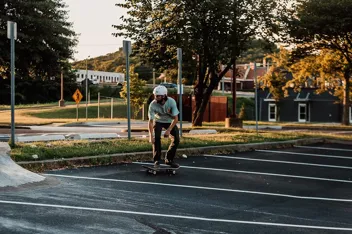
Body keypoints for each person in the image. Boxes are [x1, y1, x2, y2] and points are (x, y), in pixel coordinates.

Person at [148, 85, 180, 168]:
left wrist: (168, 130)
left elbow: (176, 118)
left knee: (176, 139)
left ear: (164, 96)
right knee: (156, 138)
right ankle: (157, 160)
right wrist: (151, 136)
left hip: (169, 122)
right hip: (158, 121)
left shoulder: (171, 102)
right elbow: (151, 121)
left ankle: (169, 160)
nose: (156, 98)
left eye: (158, 96)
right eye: (155, 96)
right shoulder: (152, 104)